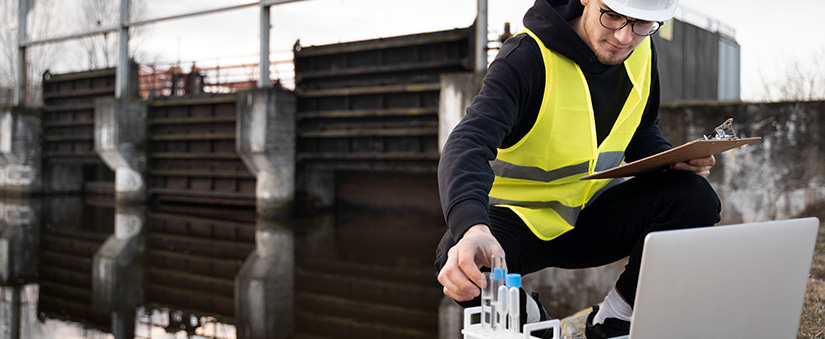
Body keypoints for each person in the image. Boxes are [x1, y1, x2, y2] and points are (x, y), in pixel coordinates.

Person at [434, 0, 721, 337]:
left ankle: (616, 318)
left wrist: (672, 159)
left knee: (693, 196)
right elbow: (468, 141)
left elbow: (641, 130)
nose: (624, 37)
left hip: (595, 216)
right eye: (612, 15)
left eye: (642, 24)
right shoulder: (527, 58)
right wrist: (473, 229)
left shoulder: (642, 51)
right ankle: (536, 326)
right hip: (525, 222)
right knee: (459, 255)